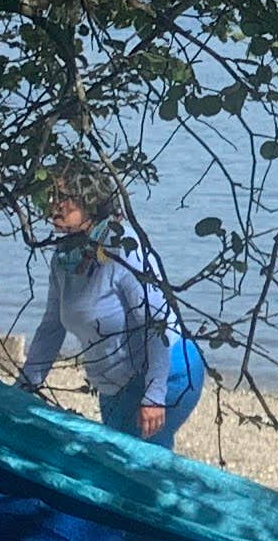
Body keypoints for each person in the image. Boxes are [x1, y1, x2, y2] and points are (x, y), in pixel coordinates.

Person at [17, 184, 203, 450]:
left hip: (168, 370)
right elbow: (51, 327)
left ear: (90, 201)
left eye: (63, 198)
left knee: (142, 466)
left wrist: (153, 395)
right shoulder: (64, 257)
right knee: (116, 463)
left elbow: (155, 321)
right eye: (49, 198)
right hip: (114, 387)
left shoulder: (124, 247)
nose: (52, 206)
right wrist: (27, 385)